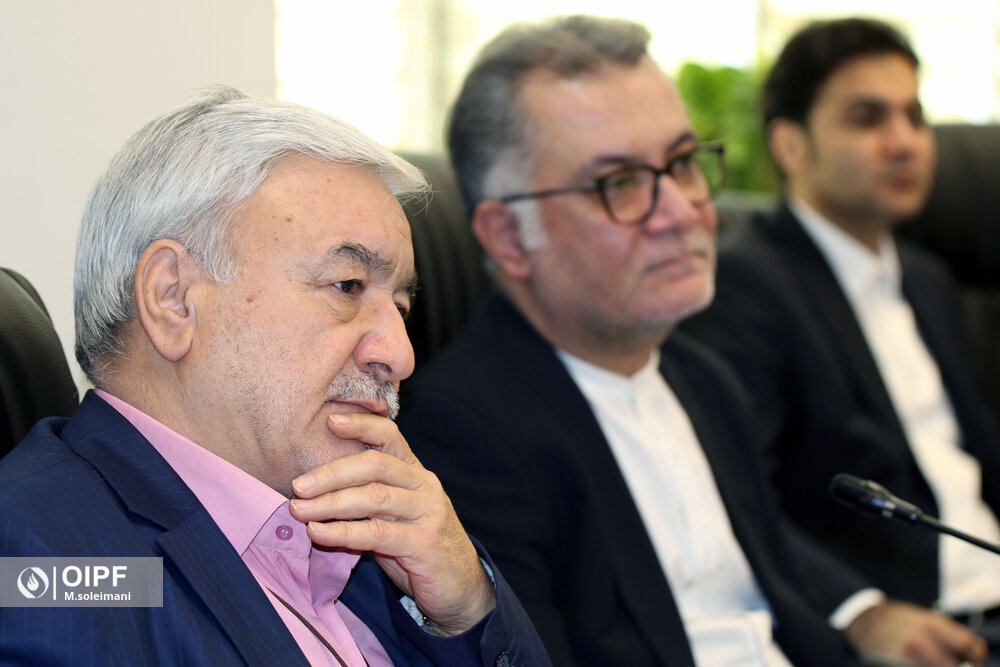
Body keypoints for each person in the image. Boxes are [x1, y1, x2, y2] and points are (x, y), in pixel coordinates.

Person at [397, 14, 987, 667]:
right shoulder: (464, 436)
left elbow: (783, 591)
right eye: (619, 184)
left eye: (681, 163)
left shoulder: (700, 376)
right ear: (509, 237)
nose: (683, 212)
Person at [0, 86, 549, 667]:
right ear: (173, 299)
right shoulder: (47, 561)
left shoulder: (387, 541)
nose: (400, 355)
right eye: (347, 287)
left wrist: (465, 613)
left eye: (401, 306)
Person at [684, 15, 1000, 659]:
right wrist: (860, 611)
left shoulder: (929, 279)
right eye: (868, 118)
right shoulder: (741, 287)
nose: (904, 142)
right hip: (926, 631)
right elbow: (734, 493)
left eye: (914, 116)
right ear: (790, 145)